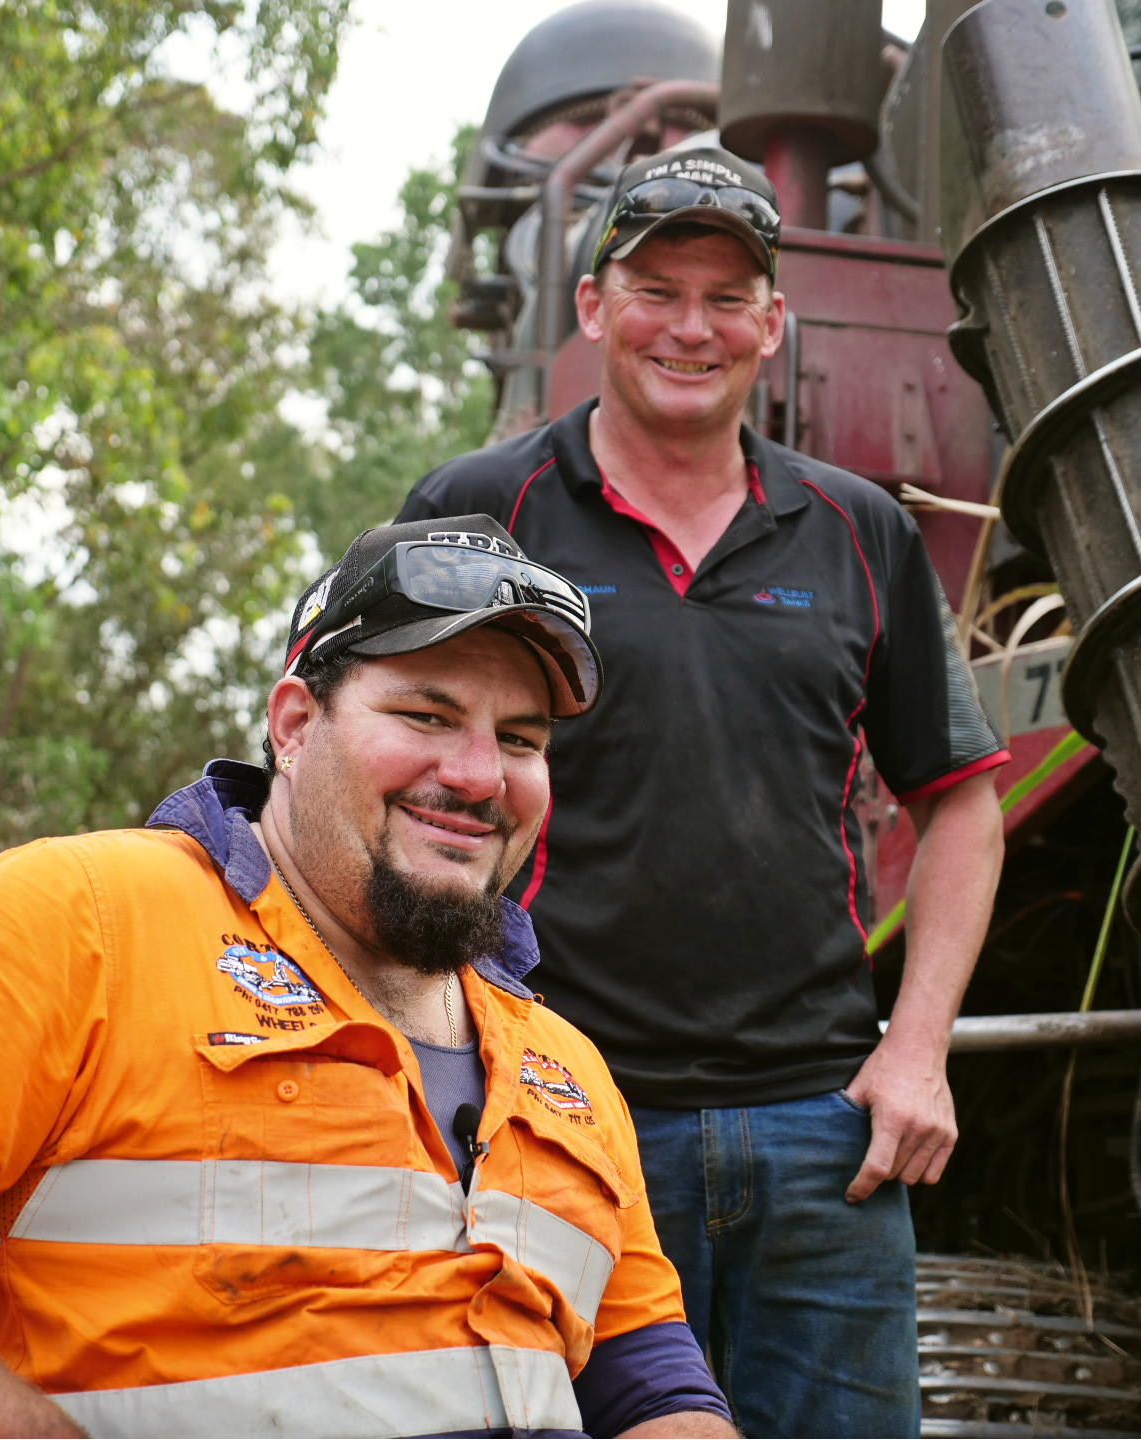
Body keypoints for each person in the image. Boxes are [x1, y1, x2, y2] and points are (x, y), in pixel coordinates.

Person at [0, 516, 736, 1440]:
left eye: (521, 737)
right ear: (296, 725)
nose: (475, 775)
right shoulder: (90, 917)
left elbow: (650, 1384)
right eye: (425, 715)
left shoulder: (564, 1067)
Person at [397, 147, 1009, 1438]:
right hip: (560, 1112)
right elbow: (368, 760)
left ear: (773, 325)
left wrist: (919, 1049)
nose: (692, 326)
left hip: (822, 1143)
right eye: (657, 288)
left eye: (728, 296)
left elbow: (959, 799)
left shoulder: (856, 531)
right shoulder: (481, 508)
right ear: (593, 307)